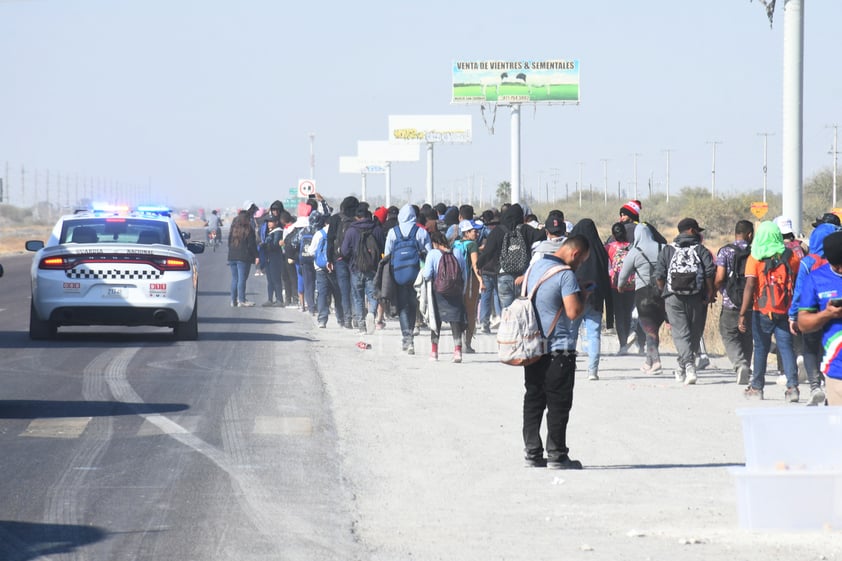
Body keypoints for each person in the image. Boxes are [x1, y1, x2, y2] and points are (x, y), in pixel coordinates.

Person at [522, 235, 591, 470]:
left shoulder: (535, 267)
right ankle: (557, 455)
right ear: (574, 254)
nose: (580, 265)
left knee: (534, 398)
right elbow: (573, 312)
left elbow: (519, 284)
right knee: (558, 402)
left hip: (532, 346)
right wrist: (583, 296)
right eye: (581, 260)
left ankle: (532, 452)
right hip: (559, 348)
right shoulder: (566, 275)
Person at [739, 221, 802, 401]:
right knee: (786, 348)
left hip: (762, 310)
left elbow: (750, 285)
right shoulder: (791, 257)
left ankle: (757, 387)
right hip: (785, 309)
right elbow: (797, 281)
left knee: (760, 348)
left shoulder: (755, 257)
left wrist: (743, 313)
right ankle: (792, 387)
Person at [656, 217, 716, 385]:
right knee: (694, 333)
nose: (698, 234)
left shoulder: (668, 250)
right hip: (697, 297)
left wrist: (665, 293)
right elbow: (710, 271)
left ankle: (684, 366)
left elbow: (659, 275)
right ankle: (688, 365)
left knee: (681, 334)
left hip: (673, 297)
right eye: (697, 230)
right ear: (690, 230)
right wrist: (710, 291)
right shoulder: (701, 250)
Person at [788, 222, 837, 405]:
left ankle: (815, 386)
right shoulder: (834, 263)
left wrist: (793, 315)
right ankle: (828, 383)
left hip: (810, 313)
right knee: (828, 349)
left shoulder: (808, 262)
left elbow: (799, 291)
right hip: (832, 314)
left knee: (809, 349)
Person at [477, 203, 545, 310]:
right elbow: (541, 235)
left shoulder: (497, 231)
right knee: (523, 310)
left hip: (504, 275)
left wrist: (478, 265)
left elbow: (487, 252)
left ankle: (508, 326)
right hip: (523, 276)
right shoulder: (525, 229)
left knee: (507, 311)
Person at [618, 223, 666, 375]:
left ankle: (656, 361)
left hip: (643, 294)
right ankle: (648, 361)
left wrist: (621, 286)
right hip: (662, 294)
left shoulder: (635, 251)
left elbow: (623, 275)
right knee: (654, 329)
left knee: (649, 330)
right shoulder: (663, 248)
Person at [384, 204, 431, 354]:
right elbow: (429, 254)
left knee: (403, 306)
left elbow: (387, 255)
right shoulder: (421, 232)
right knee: (413, 305)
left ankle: (407, 338)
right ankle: (410, 334)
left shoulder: (393, 232)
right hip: (416, 274)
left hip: (398, 275)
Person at [569, 219, 612, 381]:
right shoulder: (600, 250)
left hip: (575, 296)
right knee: (594, 334)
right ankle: (592, 371)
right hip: (595, 297)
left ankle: (569, 365)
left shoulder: (574, 250)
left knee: (571, 332)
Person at [714, 220, 754, 384]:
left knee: (729, 335)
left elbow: (720, 276)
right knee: (747, 336)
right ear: (750, 234)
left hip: (730, 302)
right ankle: (747, 367)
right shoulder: (755, 252)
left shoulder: (725, 251)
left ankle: (740, 364)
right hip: (751, 302)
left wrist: (718, 290)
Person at [423, 230, 468, 362]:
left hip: (438, 292)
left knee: (436, 321)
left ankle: (434, 352)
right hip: (456, 292)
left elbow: (427, 274)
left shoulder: (432, 254)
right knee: (455, 321)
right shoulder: (457, 252)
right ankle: (458, 351)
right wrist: (463, 291)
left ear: (435, 243)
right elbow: (464, 274)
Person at [341, 206, 385, 334]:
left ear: (357, 217)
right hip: (372, 268)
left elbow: (344, 251)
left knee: (357, 297)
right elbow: (383, 248)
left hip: (356, 268)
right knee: (373, 295)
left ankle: (361, 326)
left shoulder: (351, 231)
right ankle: (371, 313)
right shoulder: (377, 229)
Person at [326, 196, 359, 329]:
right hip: (356, 259)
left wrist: (329, 259)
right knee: (356, 289)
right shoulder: (358, 219)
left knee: (344, 290)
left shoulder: (335, 219)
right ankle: (358, 317)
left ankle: (347, 318)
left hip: (339, 259)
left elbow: (330, 240)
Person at [307, 219, 346, 328]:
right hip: (335, 268)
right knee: (338, 294)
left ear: (325, 223)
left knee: (322, 294)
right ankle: (341, 320)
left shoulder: (319, 234)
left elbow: (311, 251)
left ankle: (322, 320)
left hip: (320, 269)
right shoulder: (339, 233)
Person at [453, 219, 484, 354]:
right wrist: (481, 281)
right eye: (474, 231)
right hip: (470, 283)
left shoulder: (455, 243)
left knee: (458, 312)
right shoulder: (472, 245)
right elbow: (475, 265)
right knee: (471, 313)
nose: (477, 233)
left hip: (456, 283)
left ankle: (457, 342)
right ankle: (468, 344)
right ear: (466, 232)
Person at [605, 221, 636, 354]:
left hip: (615, 285)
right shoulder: (632, 247)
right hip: (631, 284)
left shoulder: (608, 247)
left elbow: (607, 267)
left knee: (619, 314)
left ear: (613, 234)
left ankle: (623, 344)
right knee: (628, 312)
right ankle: (629, 335)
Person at [227, 210, 259, 307]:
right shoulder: (249, 229)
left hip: (232, 256)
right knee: (242, 279)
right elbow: (252, 245)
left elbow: (229, 243)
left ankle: (233, 300)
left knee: (234, 279)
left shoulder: (233, 229)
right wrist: (257, 256)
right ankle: (241, 300)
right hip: (243, 257)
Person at [261, 214, 286, 307]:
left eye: (271, 221)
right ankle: (270, 299)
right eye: (268, 221)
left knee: (276, 279)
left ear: (276, 222)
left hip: (275, 258)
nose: (269, 223)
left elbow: (275, 245)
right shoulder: (270, 232)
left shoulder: (278, 232)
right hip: (269, 258)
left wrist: (265, 245)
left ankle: (279, 300)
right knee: (270, 280)